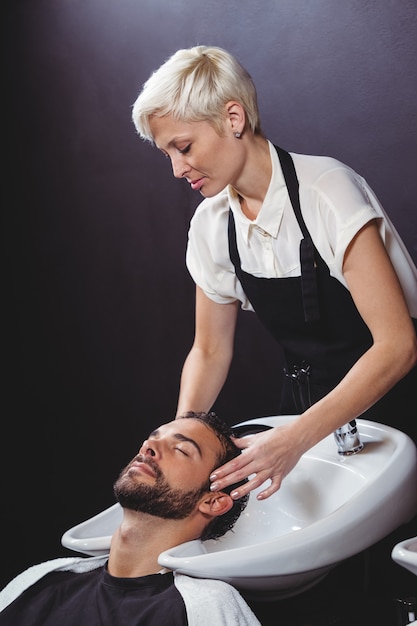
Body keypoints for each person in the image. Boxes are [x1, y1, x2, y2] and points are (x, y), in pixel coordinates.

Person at [131, 45, 417, 504]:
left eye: (183, 147)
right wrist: (180, 440)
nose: (177, 169)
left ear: (233, 118)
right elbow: (209, 349)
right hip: (301, 414)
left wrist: (296, 440)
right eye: (168, 153)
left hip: (397, 408)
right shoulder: (211, 223)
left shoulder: (327, 190)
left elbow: (397, 345)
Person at [0, 412, 260, 626]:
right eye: (152, 438)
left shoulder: (206, 607)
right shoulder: (42, 580)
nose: (149, 447)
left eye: (180, 449)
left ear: (213, 501)